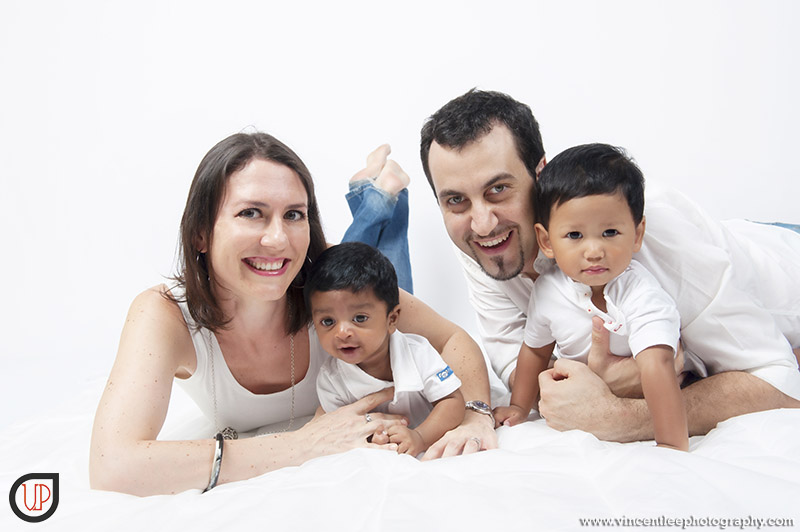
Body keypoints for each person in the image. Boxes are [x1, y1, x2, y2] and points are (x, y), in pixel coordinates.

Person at [89, 132, 495, 496]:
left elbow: (451, 339)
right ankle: (375, 192)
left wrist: (477, 414)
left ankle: (379, 194)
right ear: (200, 232)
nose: (278, 239)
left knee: (387, 266)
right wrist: (304, 444)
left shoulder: (332, 296)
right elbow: (112, 465)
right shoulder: (164, 313)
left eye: (294, 215)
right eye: (251, 213)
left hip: (377, 332)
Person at [419, 88, 800, 443]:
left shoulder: (647, 225)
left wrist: (620, 414)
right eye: (455, 201)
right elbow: (517, 365)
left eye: (498, 189)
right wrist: (594, 378)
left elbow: (779, 381)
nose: (482, 222)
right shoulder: (483, 241)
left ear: (540, 174)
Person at [492, 143, 687, 451]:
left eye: (610, 232)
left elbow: (658, 364)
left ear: (637, 234)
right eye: (574, 235)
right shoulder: (548, 291)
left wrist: (671, 446)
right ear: (547, 241)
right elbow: (534, 352)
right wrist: (518, 406)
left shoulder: (641, 293)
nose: (594, 251)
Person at [307, 242, 465, 456]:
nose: (342, 332)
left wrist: (419, 437)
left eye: (359, 318)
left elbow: (453, 402)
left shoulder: (418, 352)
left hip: (427, 444)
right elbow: (339, 430)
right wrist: (373, 438)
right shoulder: (331, 379)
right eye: (327, 321)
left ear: (392, 319)